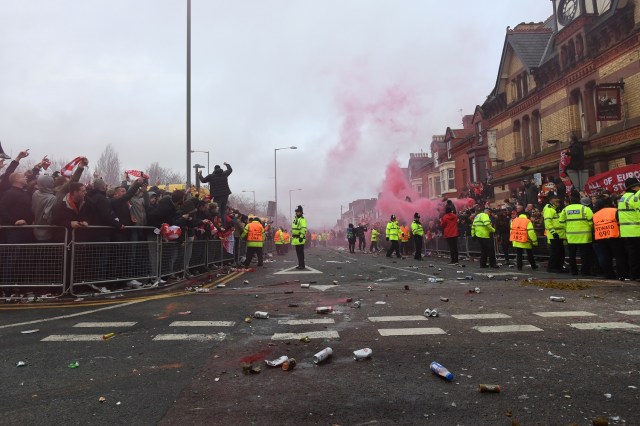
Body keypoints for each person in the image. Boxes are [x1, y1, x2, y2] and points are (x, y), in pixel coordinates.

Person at [559, 192, 594, 276]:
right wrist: (589, 229)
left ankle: (573, 271)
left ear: (571, 199)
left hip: (571, 236)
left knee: (572, 255)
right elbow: (592, 222)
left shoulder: (565, 209)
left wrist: (568, 228)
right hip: (585, 236)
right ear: (579, 199)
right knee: (584, 255)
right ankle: (585, 272)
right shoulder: (585, 208)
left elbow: (561, 222)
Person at [617, 177, 640, 281]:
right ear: (634, 187)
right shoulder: (635, 197)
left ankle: (634, 275)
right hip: (637, 230)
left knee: (632, 254)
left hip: (626, 231)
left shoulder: (622, 198)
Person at [197, 162, 232, 228]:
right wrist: (227, 164)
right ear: (220, 168)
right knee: (223, 210)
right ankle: (223, 226)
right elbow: (230, 170)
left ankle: (217, 225)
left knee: (216, 210)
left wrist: (199, 175)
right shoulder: (224, 174)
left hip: (217, 195)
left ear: (214, 169)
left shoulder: (211, 176)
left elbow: (203, 180)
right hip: (225, 194)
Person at [543, 195, 567, 273]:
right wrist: (553, 232)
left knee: (559, 253)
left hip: (559, 235)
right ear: (551, 200)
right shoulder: (549, 210)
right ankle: (553, 268)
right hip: (555, 235)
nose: (558, 201)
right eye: (556, 200)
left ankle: (558, 267)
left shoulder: (554, 209)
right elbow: (548, 222)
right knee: (556, 253)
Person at [291, 205, 307, 270]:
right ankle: (300, 264)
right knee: (298, 253)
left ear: (301, 212)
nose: (297, 213)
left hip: (300, 239)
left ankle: (302, 265)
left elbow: (303, 229)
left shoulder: (302, 219)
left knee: (300, 253)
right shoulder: (296, 219)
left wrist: (301, 236)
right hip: (296, 239)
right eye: (296, 212)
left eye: (298, 212)